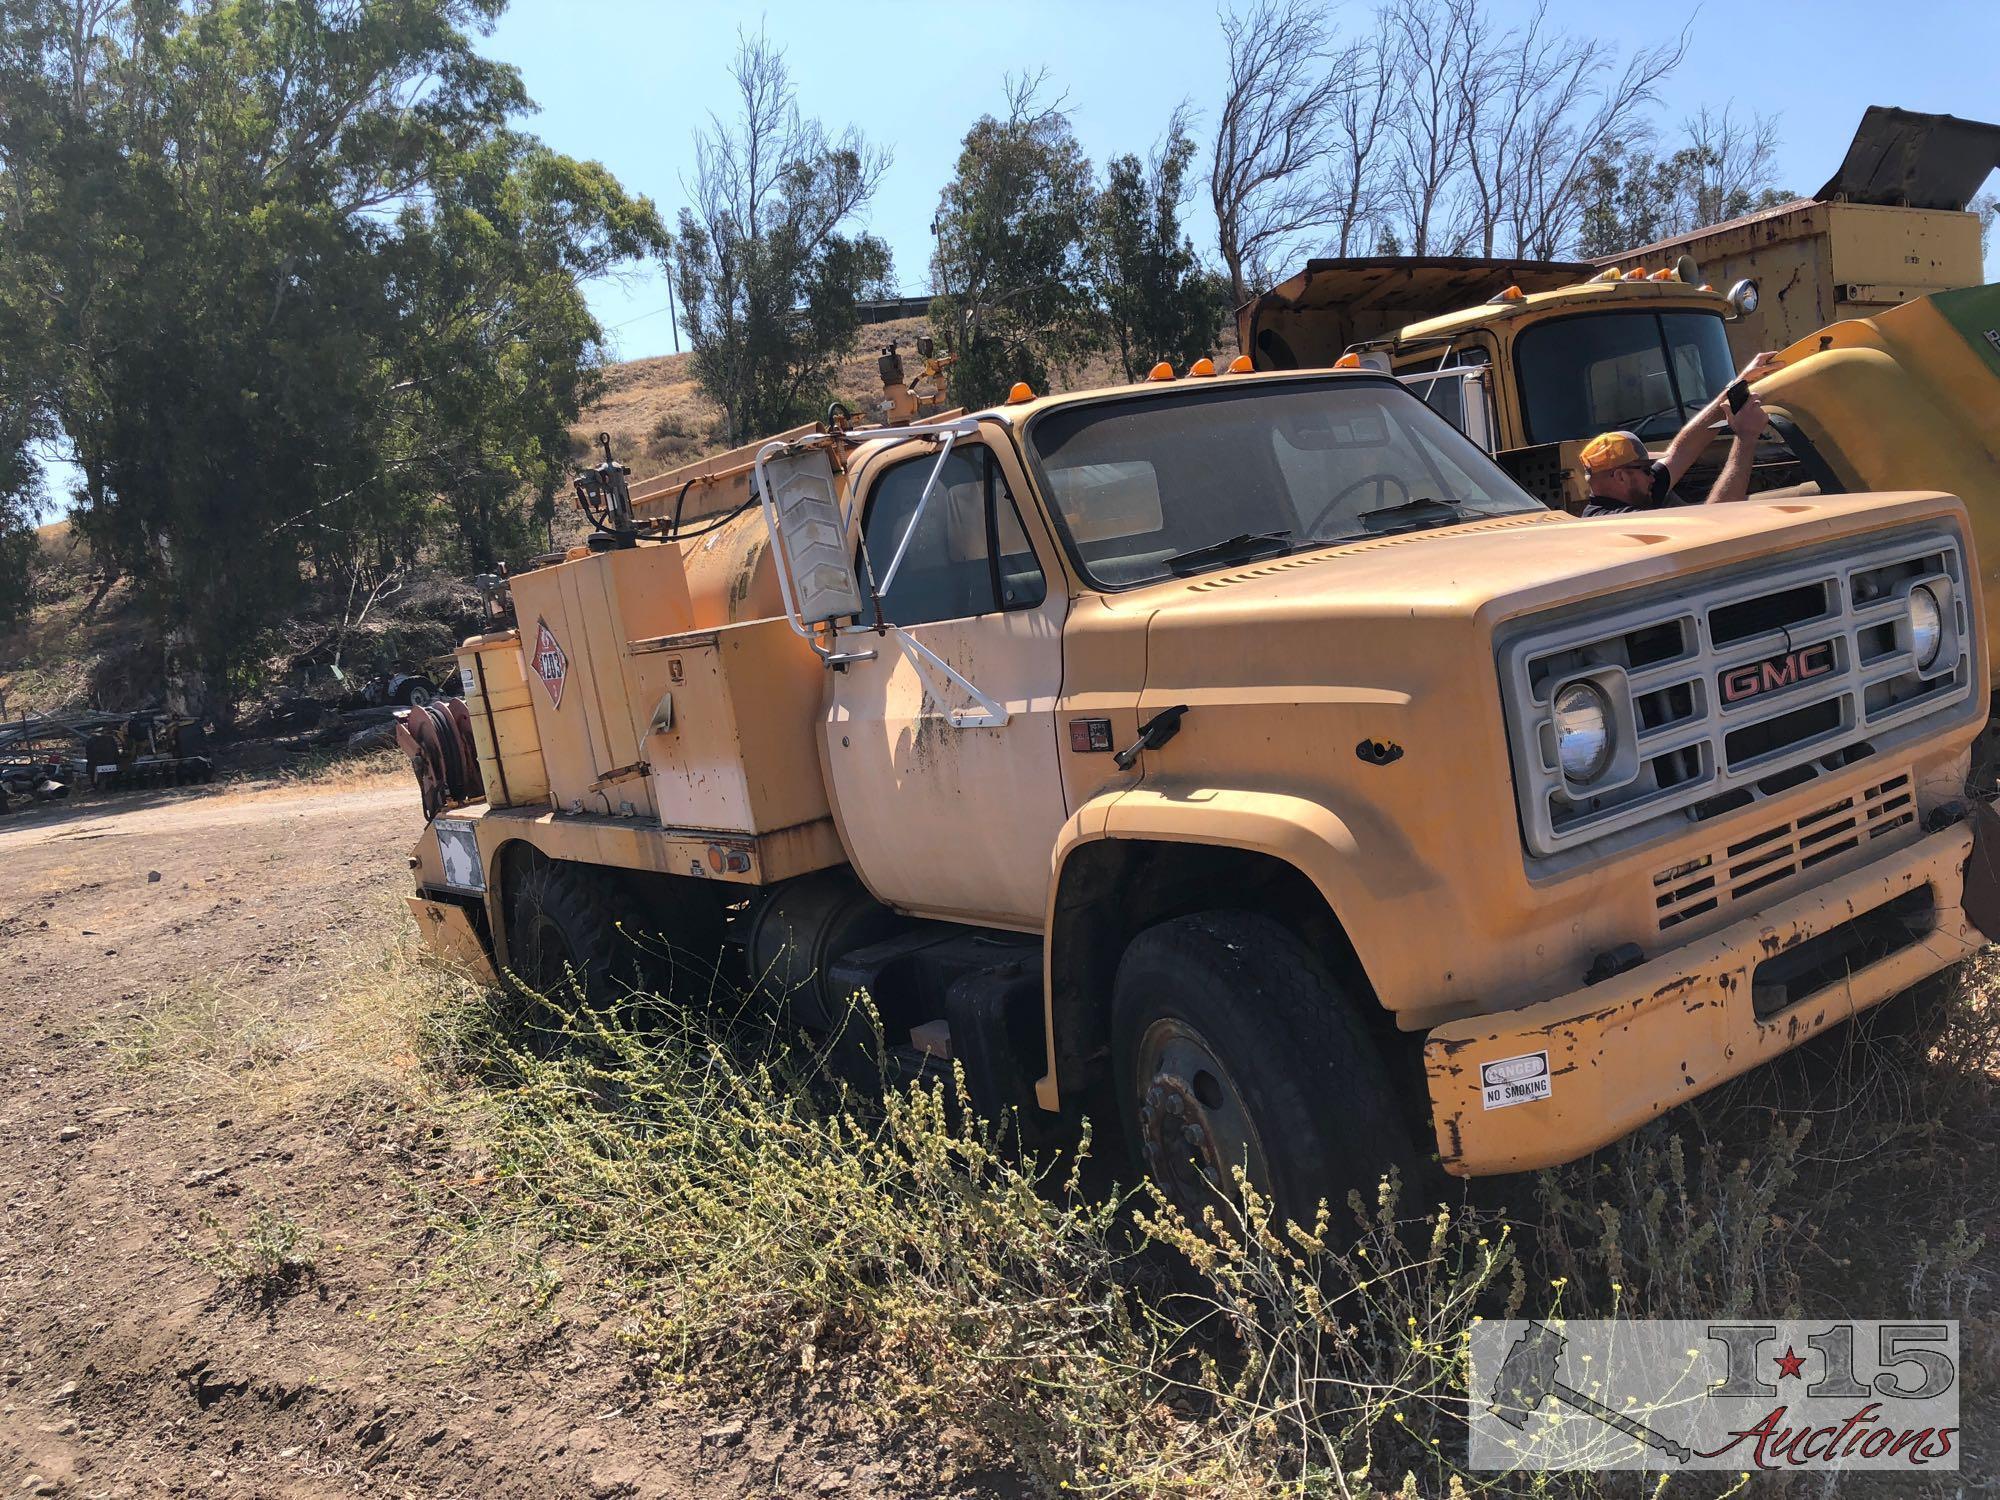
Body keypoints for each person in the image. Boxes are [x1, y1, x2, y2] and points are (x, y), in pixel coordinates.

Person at [1578, 352, 1783, 517]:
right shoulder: (1615, 521)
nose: (1653, 477)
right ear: (1621, 476)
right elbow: (1717, 524)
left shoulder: (1632, 492)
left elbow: (1681, 451)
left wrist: (1738, 384)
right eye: (1646, 470)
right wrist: (1746, 439)